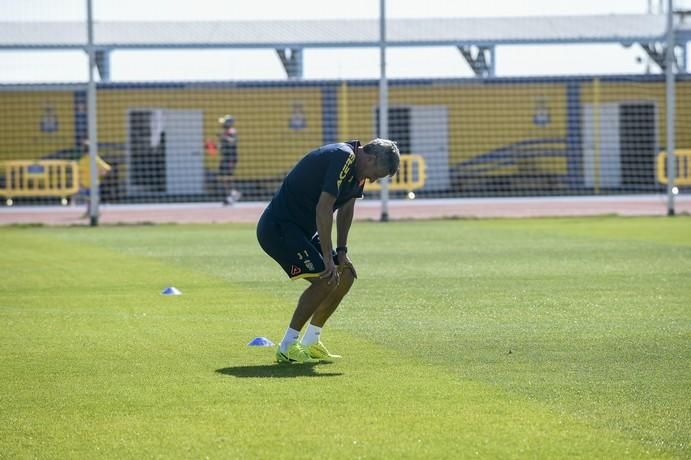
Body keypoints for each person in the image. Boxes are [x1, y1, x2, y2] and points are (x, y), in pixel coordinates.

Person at [256, 138, 400, 364]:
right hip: (279, 228)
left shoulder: (358, 170)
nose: (372, 179)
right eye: (376, 174)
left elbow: (346, 208)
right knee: (326, 278)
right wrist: (327, 258)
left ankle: (311, 342)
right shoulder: (343, 157)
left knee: (346, 276)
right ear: (370, 158)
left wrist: (341, 251)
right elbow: (324, 208)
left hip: (301, 231)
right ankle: (287, 346)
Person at [218, 115, 241, 205]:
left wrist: (224, 137)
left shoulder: (232, 131)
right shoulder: (225, 132)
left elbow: (232, 141)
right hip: (225, 157)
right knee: (223, 177)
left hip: (230, 157)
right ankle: (231, 194)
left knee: (228, 176)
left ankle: (234, 193)